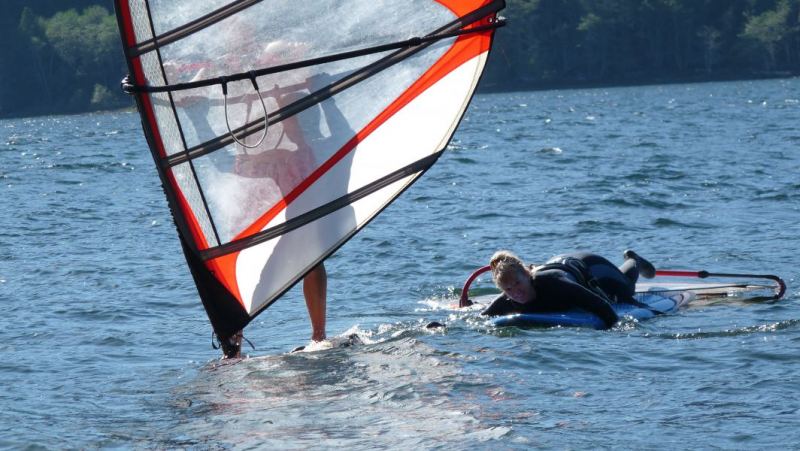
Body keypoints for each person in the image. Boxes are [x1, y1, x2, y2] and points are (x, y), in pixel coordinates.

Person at [481, 250, 657, 329]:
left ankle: (634, 260)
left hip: (587, 265)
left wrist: (615, 329)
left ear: (527, 275)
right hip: (556, 264)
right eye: (508, 289)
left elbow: (600, 305)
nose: (515, 292)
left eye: (518, 284)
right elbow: (480, 320)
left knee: (625, 289)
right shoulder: (506, 298)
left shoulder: (554, 284)